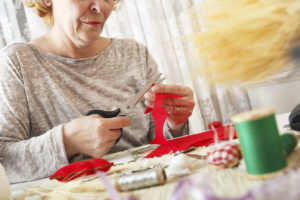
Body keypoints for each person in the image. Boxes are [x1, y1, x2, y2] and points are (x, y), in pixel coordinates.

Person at [0, 0, 195, 183]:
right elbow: (4, 164)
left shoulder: (134, 53)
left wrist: (174, 125)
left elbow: (158, 145)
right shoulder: (17, 62)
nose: (100, 6)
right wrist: (66, 141)